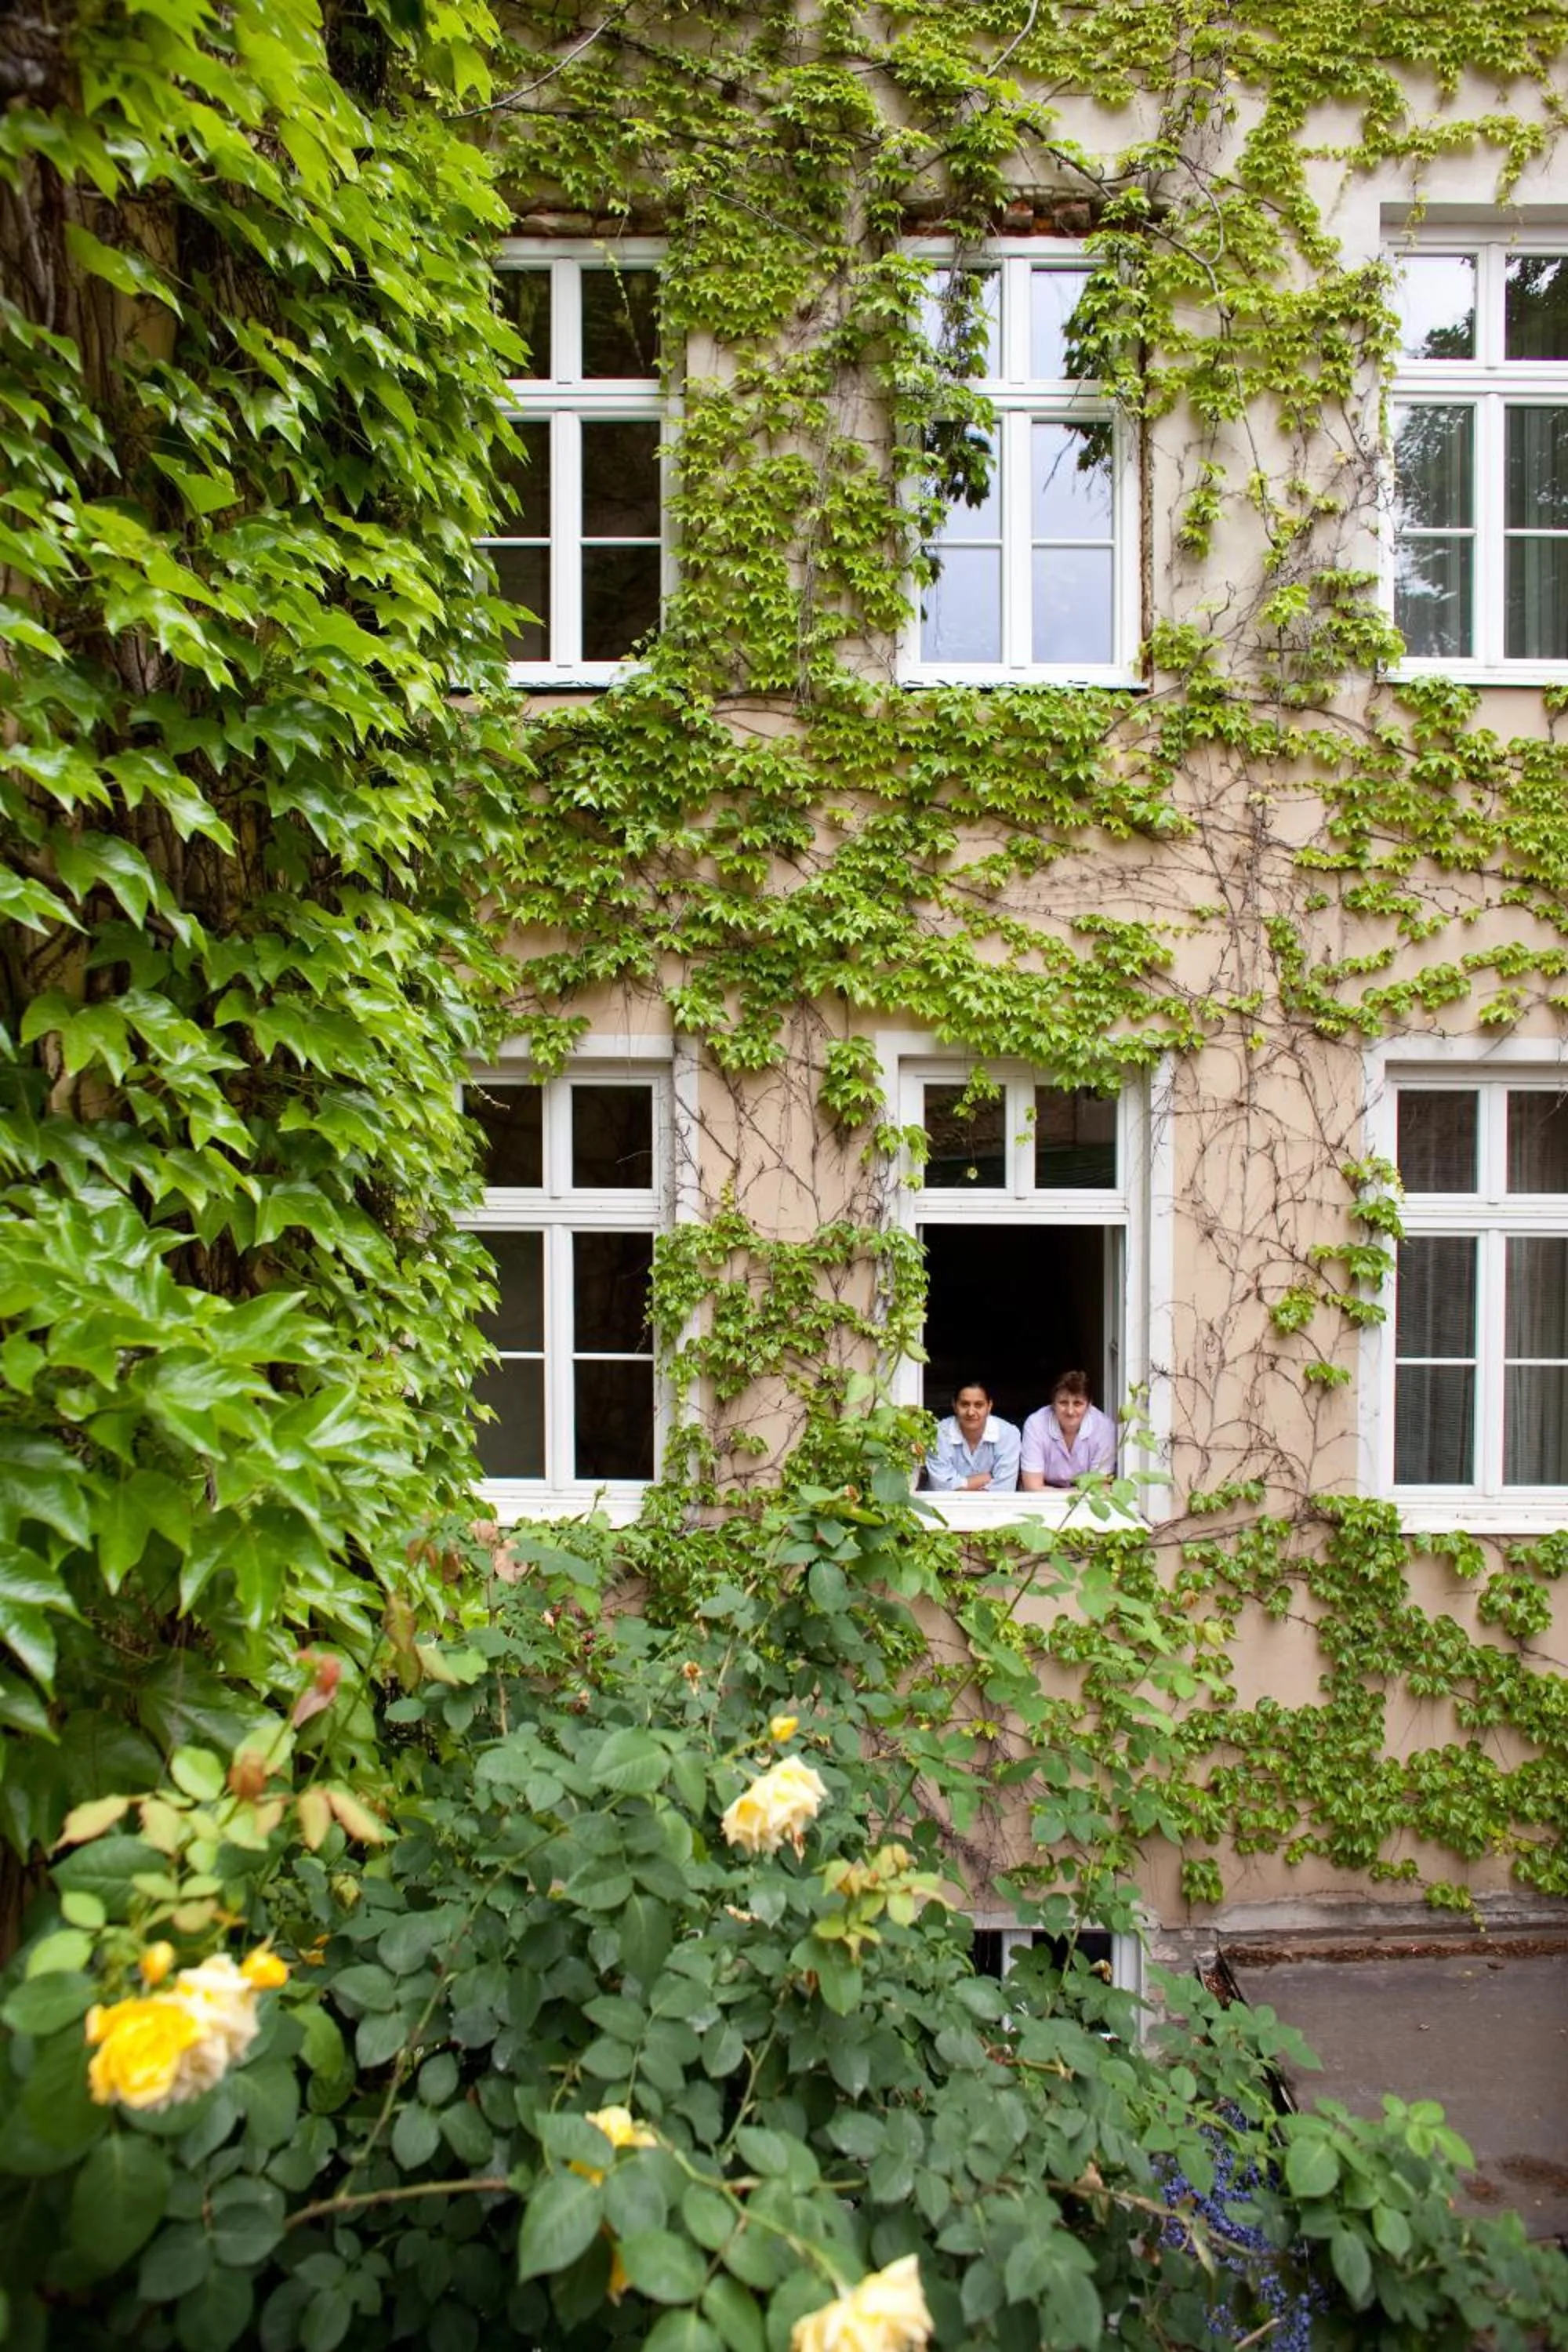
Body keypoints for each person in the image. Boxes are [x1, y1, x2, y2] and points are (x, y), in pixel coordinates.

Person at [1020, 1370, 1116, 1489]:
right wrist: (1076, 1493)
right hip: (1043, 1503)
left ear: (1089, 1404)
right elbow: (1032, 1488)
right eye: (1063, 1403)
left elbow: (1100, 1487)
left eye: (1077, 1403)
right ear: (1053, 1403)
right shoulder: (1035, 1424)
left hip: (1083, 1503)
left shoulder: (1104, 1428)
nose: (1070, 1411)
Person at [924, 1380, 1020, 1492]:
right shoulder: (938, 1433)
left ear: (989, 1407)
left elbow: (1005, 1488)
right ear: (954, 1405)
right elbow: (941, 1486)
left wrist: (960, 1486)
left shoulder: (1008, 1434)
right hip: (942, 1507)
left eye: (978, 1405)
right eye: (965, 1404)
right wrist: (983, 1479)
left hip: (994, 1508)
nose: (971, 1412)